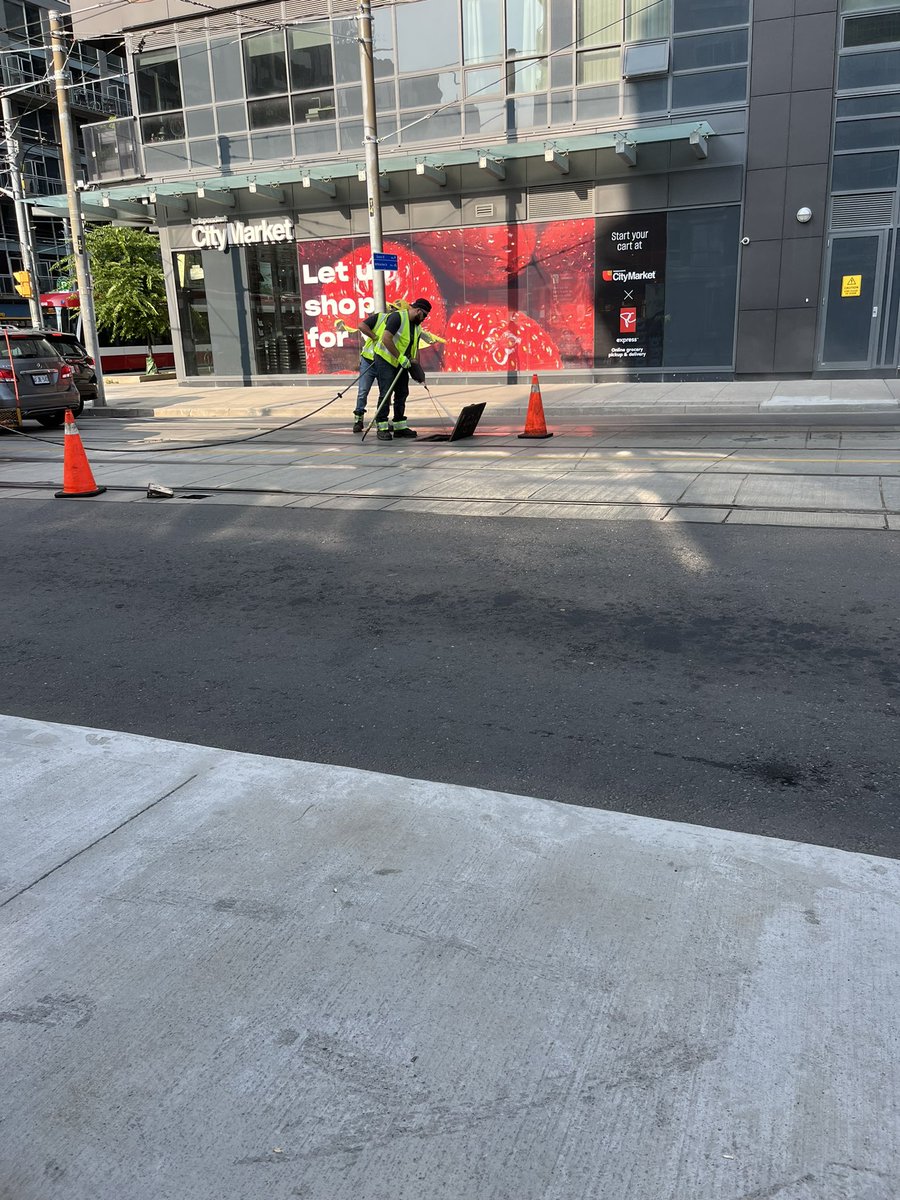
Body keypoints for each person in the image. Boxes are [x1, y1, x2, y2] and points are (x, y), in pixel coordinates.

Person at [370, 298, 432, 441]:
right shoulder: (397, 317)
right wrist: (400, 357)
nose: (424, 319)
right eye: (424, 316)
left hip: (401, 362)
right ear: (418, 311)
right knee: (386, 392)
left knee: (402, 392)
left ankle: (399, 426)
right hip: (385, 359)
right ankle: (382, 426)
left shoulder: (416, 327)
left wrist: (416, 367)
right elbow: (386, 339)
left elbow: (414, 348)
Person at [352, 310, 389, 433]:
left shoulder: (401, 326)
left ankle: (381, 420)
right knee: (363, 391)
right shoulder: (380, 318)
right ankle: (358, 420)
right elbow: (362, 326)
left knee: (384, 393)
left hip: (384, 363)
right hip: (369, 361)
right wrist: (375, 337)